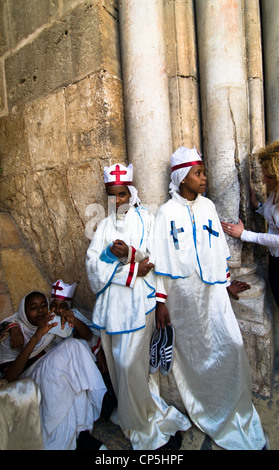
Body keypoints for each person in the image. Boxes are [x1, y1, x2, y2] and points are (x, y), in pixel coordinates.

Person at [153, 146, 267, 450]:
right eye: (198, 173)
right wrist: (161, 301)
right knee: (194, 351)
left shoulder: (207, 207)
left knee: (229, 342)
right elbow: (161, 258)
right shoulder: (167, 213)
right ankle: (206, 404)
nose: (204, 178)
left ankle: (230, 406)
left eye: (204, 172)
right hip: (183, 295)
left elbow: (216, 248)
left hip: (212, 290)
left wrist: (227, 282)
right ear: (181, 178)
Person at [86, 162, 191, 450]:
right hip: (111, 309)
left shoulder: (147, 219)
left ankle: (142, 419)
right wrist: (119, 261)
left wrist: (132, 257)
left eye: (121, 194)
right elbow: (92, 265)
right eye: (112, 195)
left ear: (131, 192)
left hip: (138, 304)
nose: (117, 200)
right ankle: (131, 413)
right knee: (119, 365)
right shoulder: (104, 226)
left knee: (131, 363)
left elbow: (154, 261)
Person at [0, 291, 107, 450]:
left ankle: (81, 433)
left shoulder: (53, 324)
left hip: (51, 376)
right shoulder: (14, 334)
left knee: (73, 371)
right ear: (24, 311)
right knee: (71, 348)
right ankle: (67, 437)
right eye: (34, 308)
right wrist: (36, 337)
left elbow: (87, 334)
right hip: (27, 385)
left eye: (44, 306)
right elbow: (9, 378)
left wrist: (72, 319)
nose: (41, 311)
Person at [221, 140, 279, 308]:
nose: (263, 181)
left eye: (269, 177)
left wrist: (245, 235)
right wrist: (258, 206)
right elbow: (274, 219)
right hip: (274, 263)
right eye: (263, 174)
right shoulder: (274, 193)